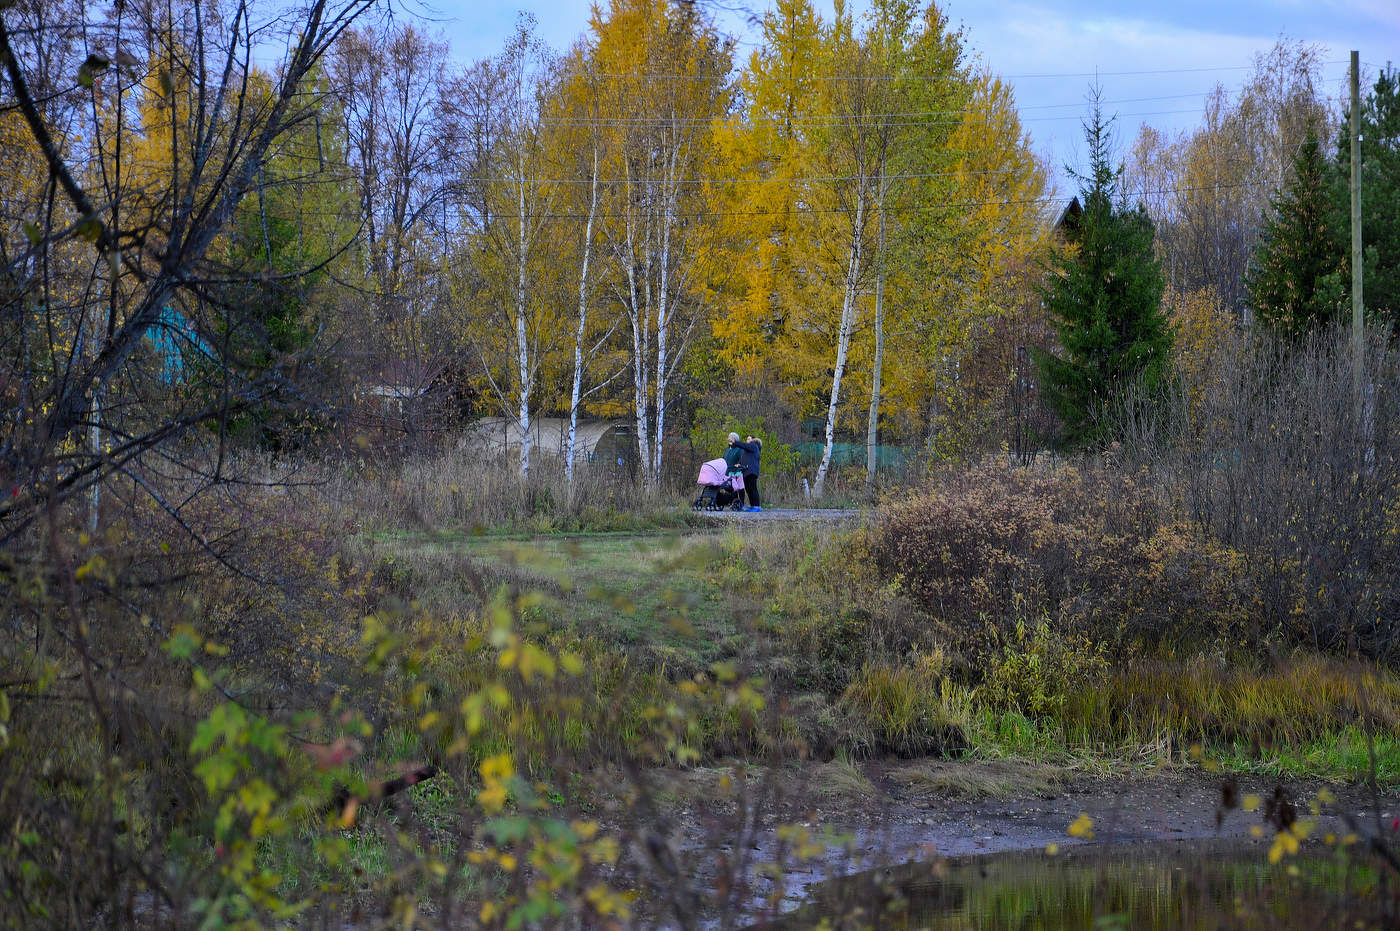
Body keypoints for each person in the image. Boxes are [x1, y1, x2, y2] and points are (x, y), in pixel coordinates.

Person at [735, 435, 762, 511]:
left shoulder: (754, 446)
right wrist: (739, 464)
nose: (747, 440)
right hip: (746, 472)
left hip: (752, 471)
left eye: (749, 439)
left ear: (753, 440)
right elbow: (744, 459)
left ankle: (757, 506)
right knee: (748, 489)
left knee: (753, 489)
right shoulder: (746, 450)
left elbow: (744, 445)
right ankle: (752, 505)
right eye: (747, 439)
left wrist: (735, 442)